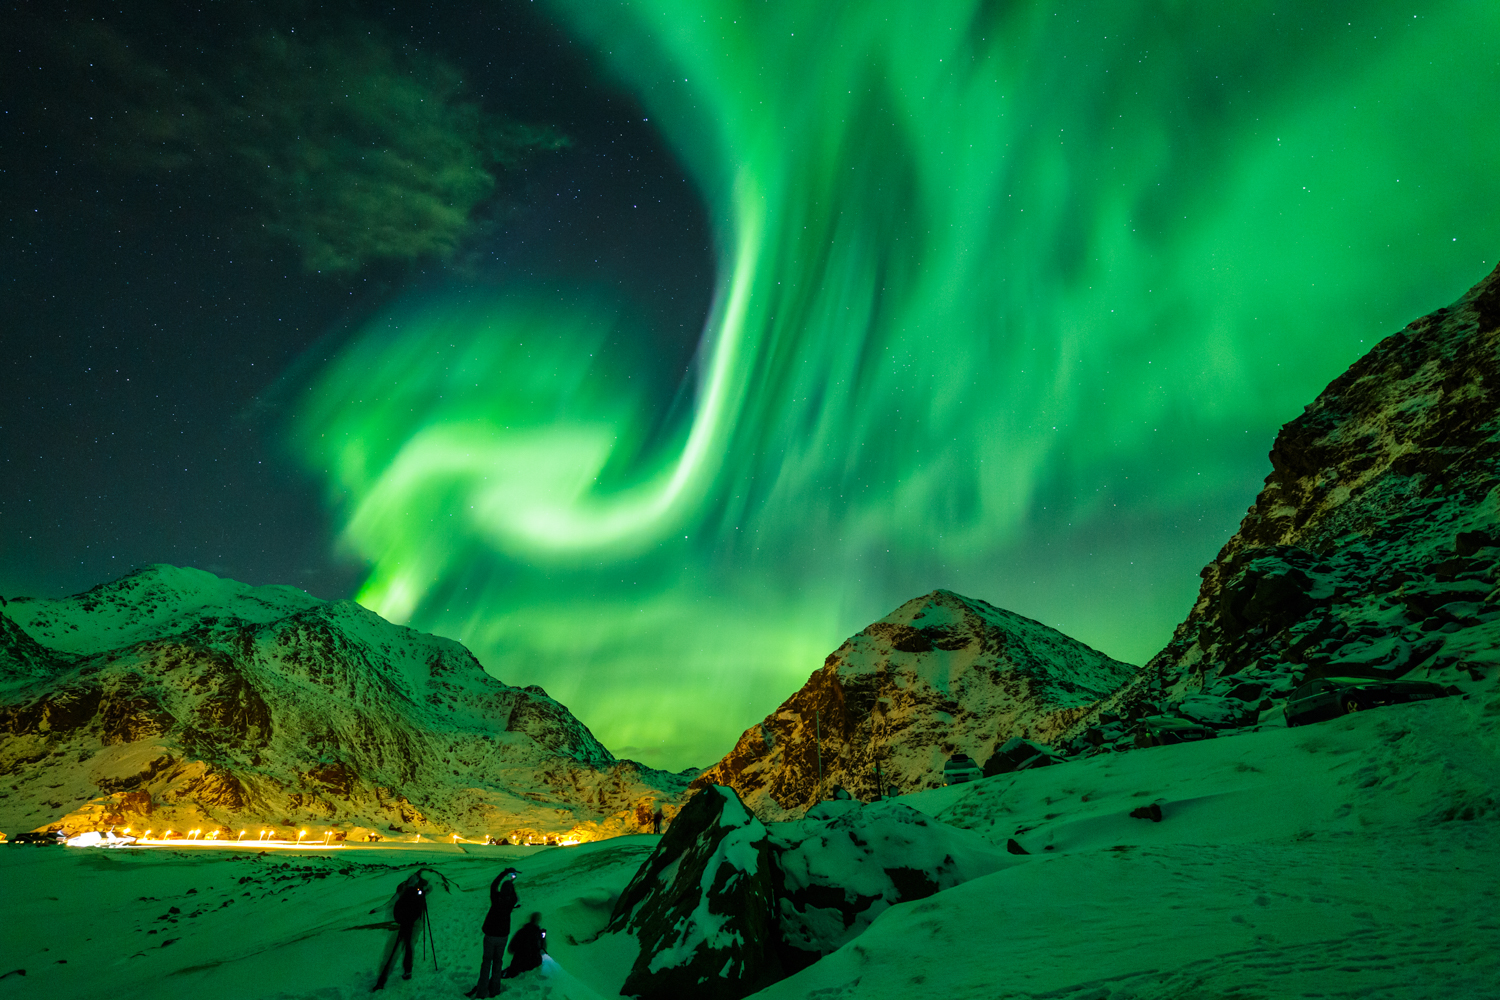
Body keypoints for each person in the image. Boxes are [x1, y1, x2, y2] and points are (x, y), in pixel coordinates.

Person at [467, 867, 520, 998]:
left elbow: (494, 884)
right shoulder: (511, 902)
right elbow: (514, 896)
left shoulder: (496, 898)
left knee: (486, 963)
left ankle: (482, 991)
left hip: (490, 935)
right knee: (498, 962)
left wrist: (504, 873)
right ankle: (495, 990)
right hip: (502, 937)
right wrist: (512, 883)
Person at [374, 872, 428, 990]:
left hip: (403, 924)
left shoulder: (404, 891)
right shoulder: (417, 893)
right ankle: (407, 970)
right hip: (411, 924)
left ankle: (383, 978)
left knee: (395, 949)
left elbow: (397, 906)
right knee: (408, 947)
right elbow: (419, 909)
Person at [502, 912, 546, 979]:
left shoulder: (521, 932)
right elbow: (543, 949)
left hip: (517, 966)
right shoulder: (538, 935)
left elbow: (511, 949)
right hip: (533, 966)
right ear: (538, 921)